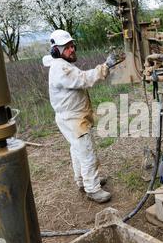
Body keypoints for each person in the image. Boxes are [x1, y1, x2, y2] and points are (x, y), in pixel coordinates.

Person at [42, 30, 117, 203]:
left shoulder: (61, 64)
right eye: (66, 47)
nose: (71, 50)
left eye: (71, 46)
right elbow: (83, 79)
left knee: (77, 151)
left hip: (70, 117)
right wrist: (105, 66)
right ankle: (92, 189)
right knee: (87, 152)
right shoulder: (60, 68)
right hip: (73, 119)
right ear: (55, 50)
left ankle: (83, 181)